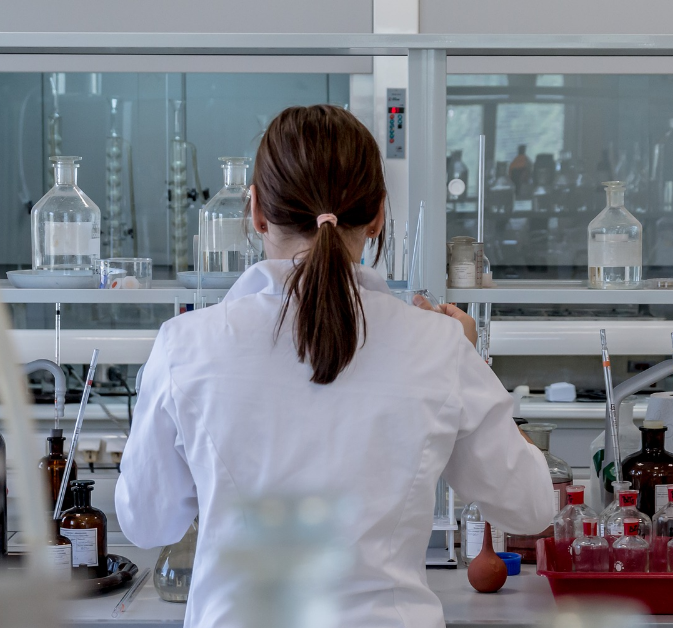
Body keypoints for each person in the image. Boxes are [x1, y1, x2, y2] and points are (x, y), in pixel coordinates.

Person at [115, 105, 556, 628]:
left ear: (255, 212)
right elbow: (531, 508)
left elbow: (147, 524)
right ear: (377, 216)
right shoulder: (438, 346)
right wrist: (471, 360)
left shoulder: (185, 346)